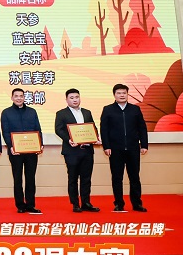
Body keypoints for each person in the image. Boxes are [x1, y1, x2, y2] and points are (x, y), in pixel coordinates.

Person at [100, 83, 149, 212]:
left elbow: (142, 128)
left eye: (124, 93)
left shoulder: (135, 109)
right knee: (117, 177)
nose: (122, 95)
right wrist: (106, 146)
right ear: (114, 95)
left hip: (133, 148)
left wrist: (144, 145)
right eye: (119, 93)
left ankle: (137, 204)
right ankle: (119, 204)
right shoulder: (108, 109)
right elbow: (104, 130)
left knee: (134, 177)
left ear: (127, 94)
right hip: (115, 149)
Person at [54, 88, 100, 213]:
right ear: (66, 99)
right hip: (72, 151)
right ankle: (75, 204)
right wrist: (69, 139)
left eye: (77, 97)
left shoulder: (87, 112)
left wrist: (96, 137)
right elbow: (58, 129)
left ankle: (86, 203)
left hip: (87, 150)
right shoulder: (61, 113)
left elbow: (92, 127)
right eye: (72, 98)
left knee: (86, 178)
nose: (75, 100)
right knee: (73, 178)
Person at [0, 88, 43, 214]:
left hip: (31, 151)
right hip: (15, 152)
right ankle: (20, 205)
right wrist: (11, 146)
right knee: (17, 178)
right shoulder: (6, 113)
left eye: (21, 96)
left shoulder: (32, 111)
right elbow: (5, 132)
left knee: (30, 178)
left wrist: (40, 144)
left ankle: (30, 205)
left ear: (24, 97)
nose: (19, 98)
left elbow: (38, 129)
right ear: (12, 98)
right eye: (16, 96)